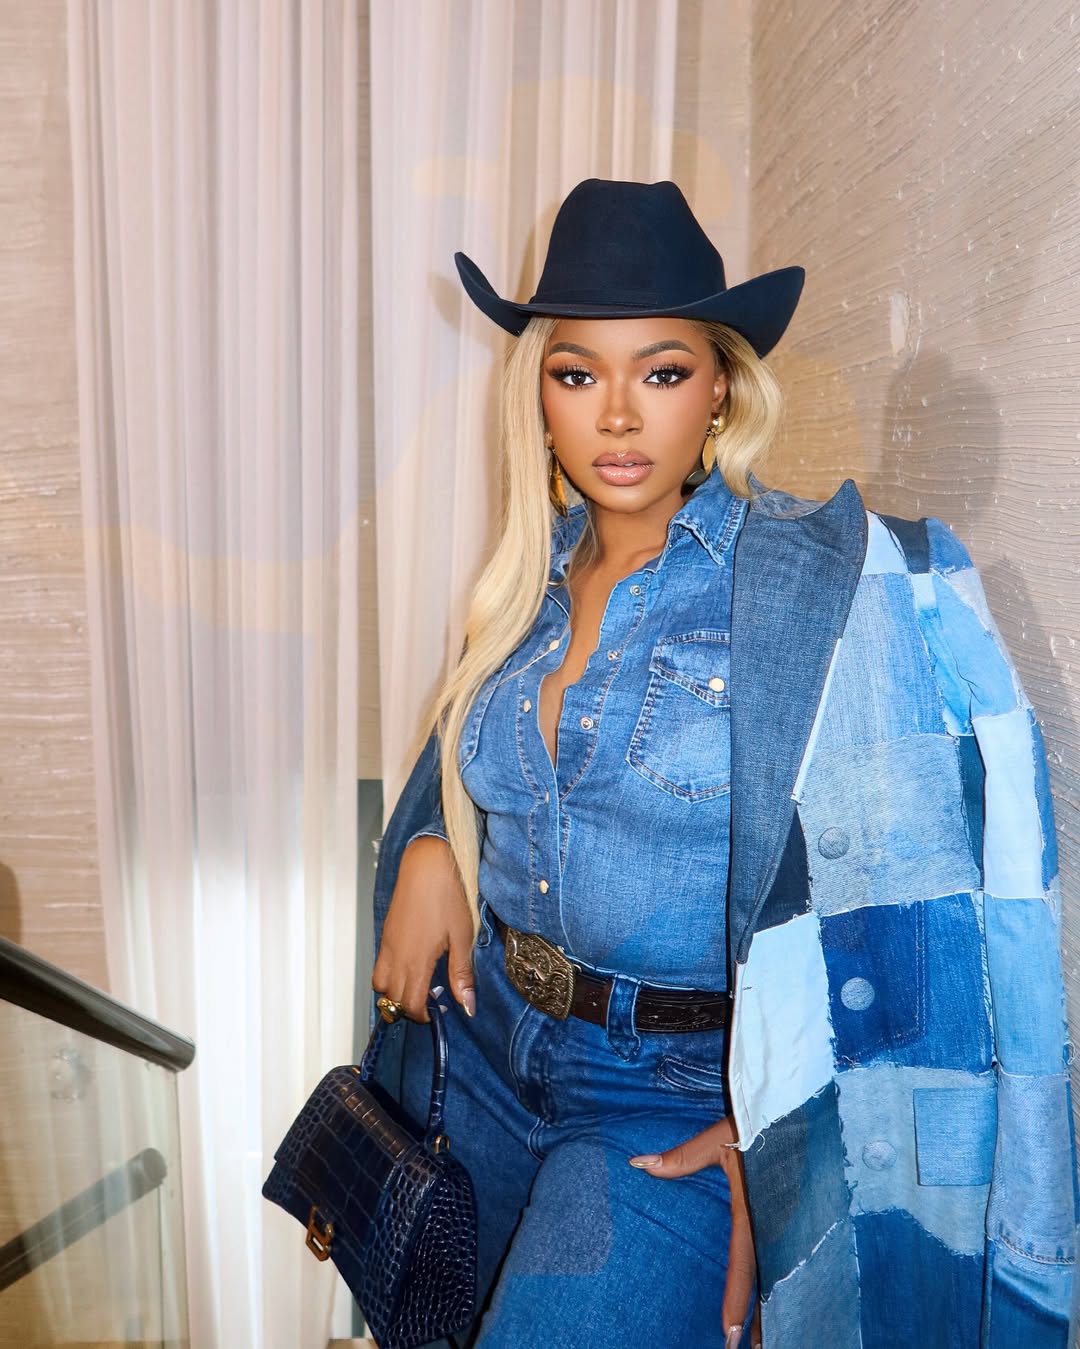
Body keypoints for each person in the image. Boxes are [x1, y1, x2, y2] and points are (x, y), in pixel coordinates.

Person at [371, 179, 1077, 1348]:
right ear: (537, 394)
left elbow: (902, 902)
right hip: (486, 1051)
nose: (616, 415)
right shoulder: (523, 583)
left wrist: (779, 1136)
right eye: (577, 374)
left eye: (660, 372)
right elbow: (476, 761)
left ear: (720, 391)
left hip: (668, 1098)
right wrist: (434, 840)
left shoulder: (797, 587)